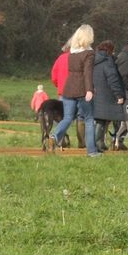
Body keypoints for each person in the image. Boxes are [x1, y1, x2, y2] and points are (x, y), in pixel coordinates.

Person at [51, 24, 99, 156]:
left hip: (68, 88)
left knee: (67, 118)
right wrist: (89, 90)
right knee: (89, 119)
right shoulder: (89, 53)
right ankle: (92, 151)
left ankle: (54, 136)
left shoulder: (71, 53)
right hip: (82, 89)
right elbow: (87, 73)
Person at [90, 40, 126, 151]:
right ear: (110, 50)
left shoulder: (92, 59)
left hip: (94, 93)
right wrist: (119, 95)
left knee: (98, 119)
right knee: (102, 120)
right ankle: (97, 144)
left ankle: (98, 143)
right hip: (106, 94)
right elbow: (113, 80)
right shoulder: (108, 61)